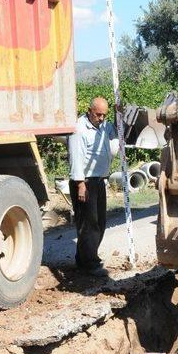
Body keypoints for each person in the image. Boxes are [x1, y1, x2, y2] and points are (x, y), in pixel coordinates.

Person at [68, 97, 116, 277]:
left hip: (98, 181)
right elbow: (76, 158)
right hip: (85, 183)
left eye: (104, 115)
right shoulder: (79, 129)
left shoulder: (103, 126)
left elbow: (116, 132)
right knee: (89, 224)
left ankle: (84, 259)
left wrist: (120, 114)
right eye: (98, 115)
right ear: (89, 111)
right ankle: (90, 264)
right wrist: (80, 184)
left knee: (100, 222)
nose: (102, 118)